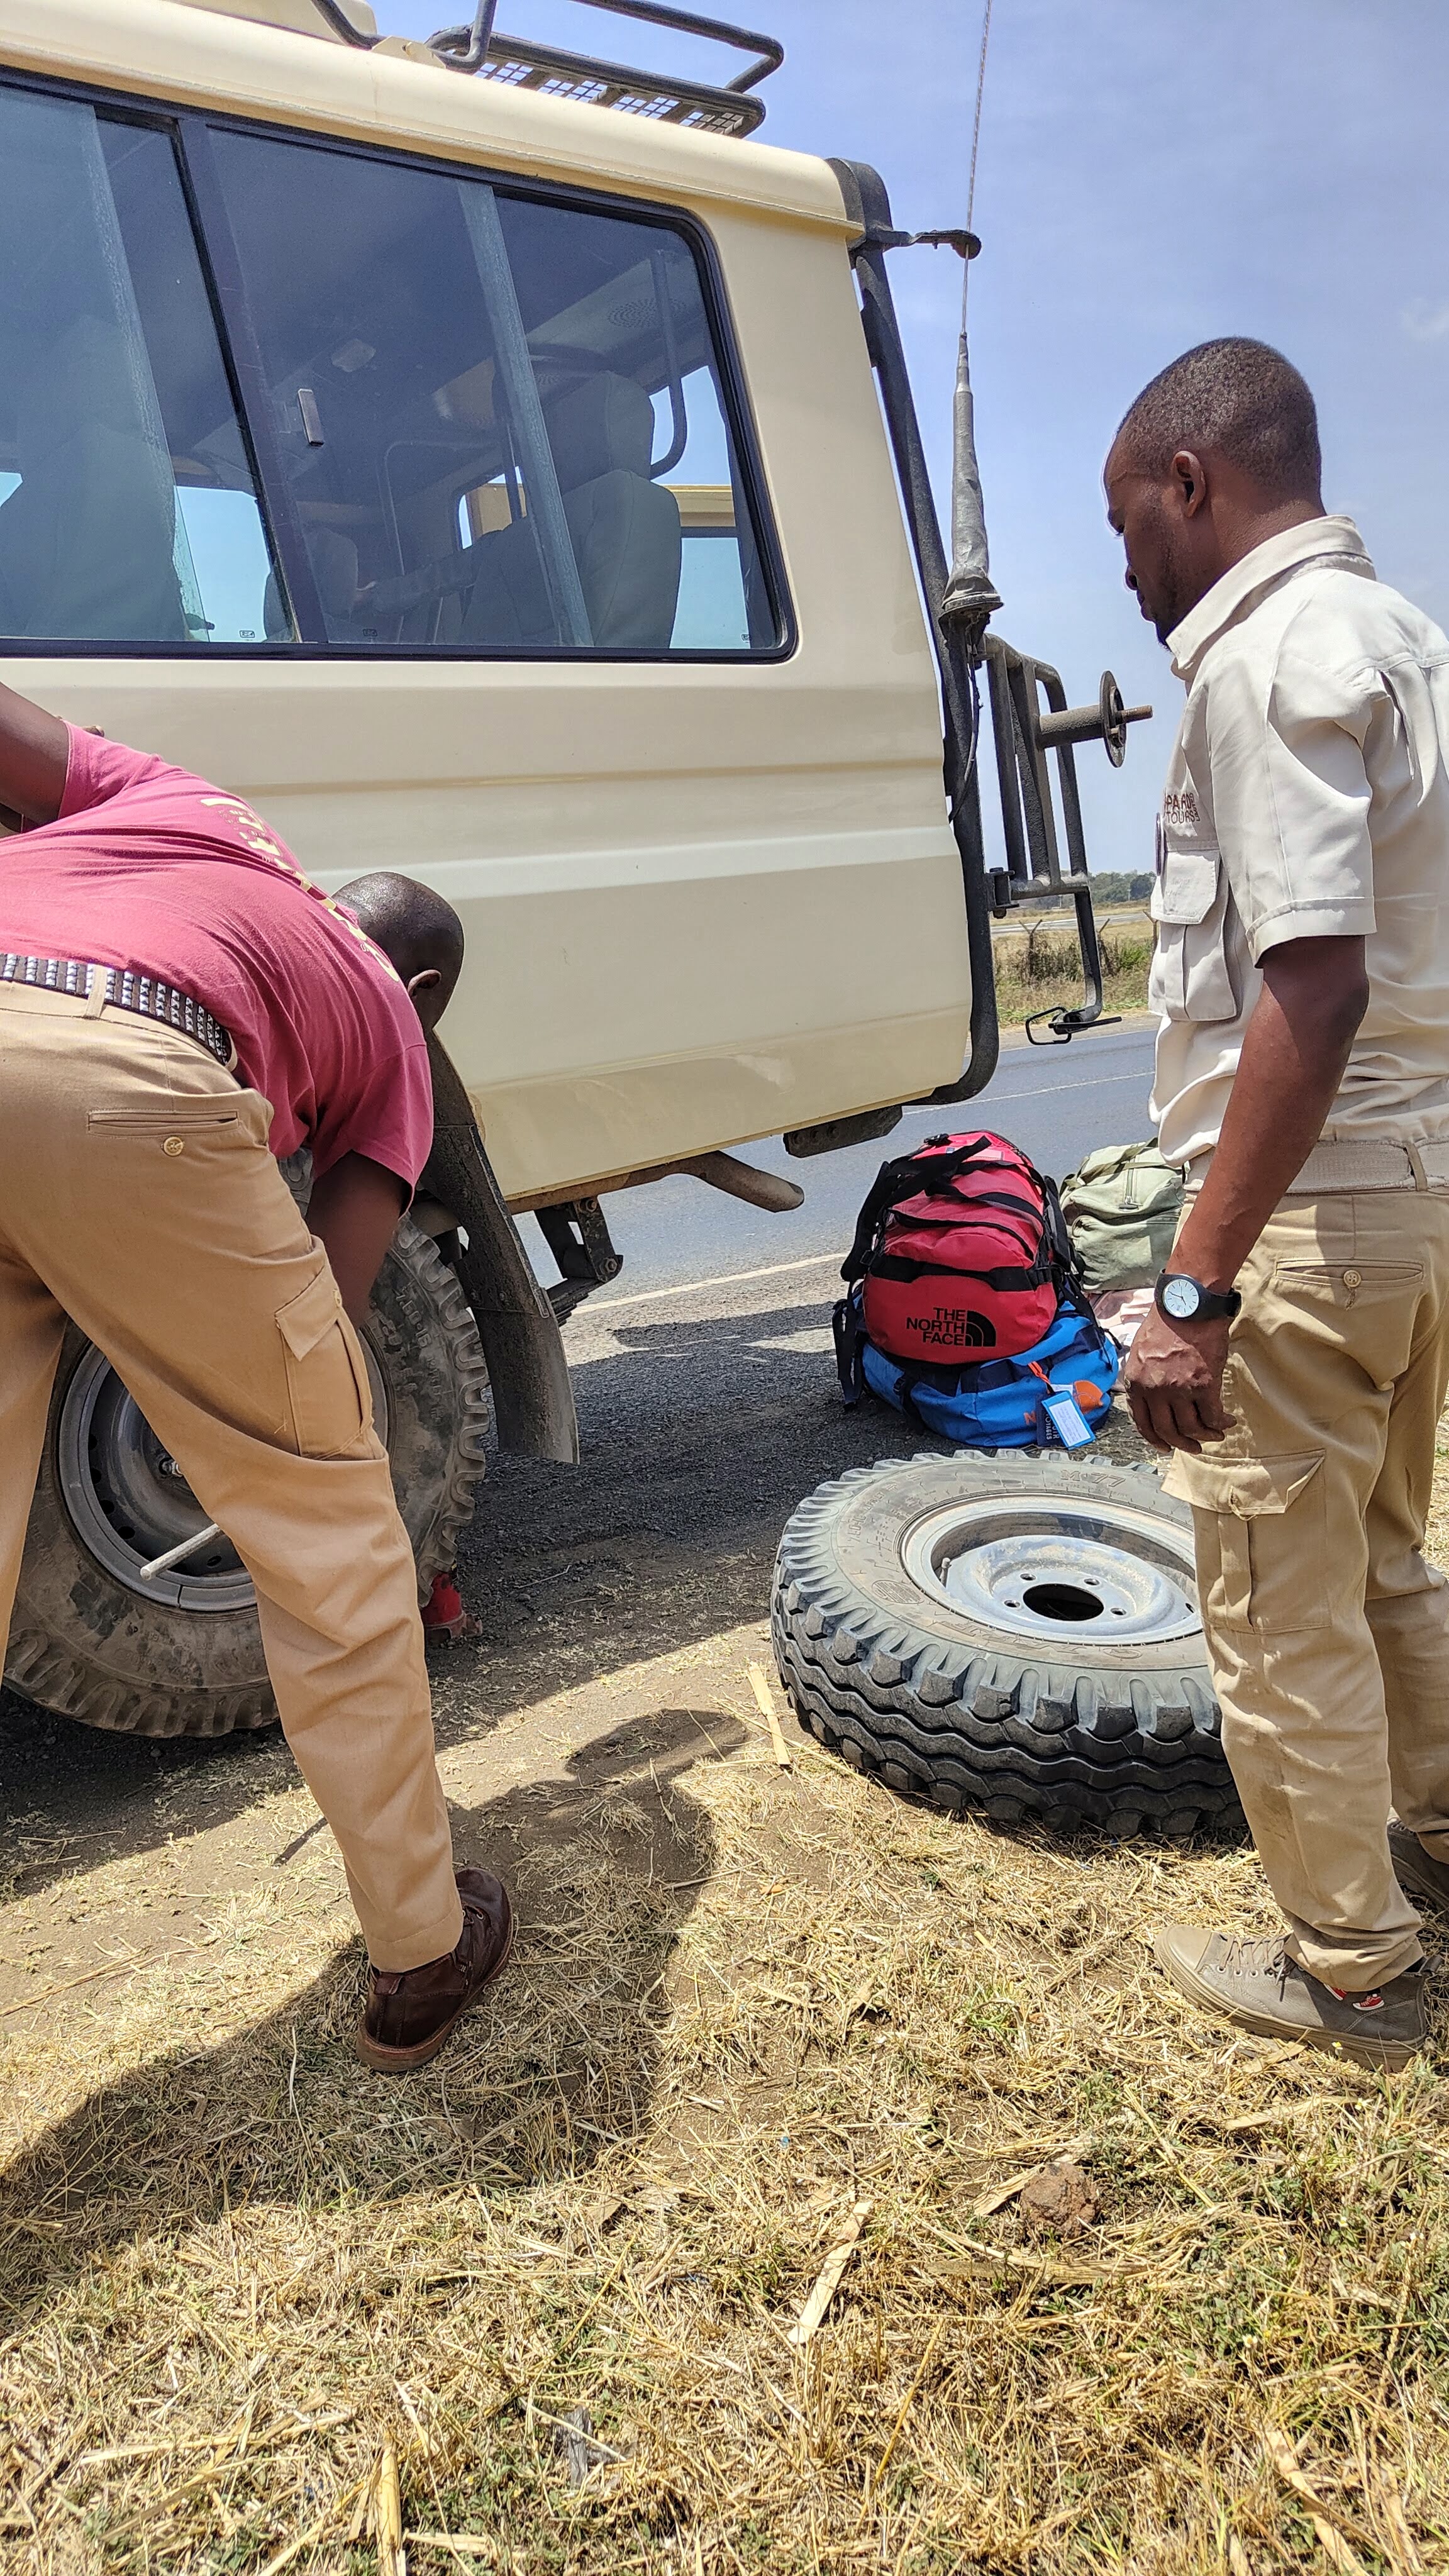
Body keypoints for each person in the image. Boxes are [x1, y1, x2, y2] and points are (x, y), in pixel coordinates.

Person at [0, 682, 512, 2072]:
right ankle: (421, 1948)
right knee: (330, 1524)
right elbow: (324, 1322)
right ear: (418, 989)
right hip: (138, 1064)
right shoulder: (392, 1029)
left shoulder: (192, 808)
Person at [1106, 336, 1449, 2070]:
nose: (1127, 567)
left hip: (1313, 1219)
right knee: (1386, 1556)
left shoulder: (1264, 663)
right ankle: (1442, 1848)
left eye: (1127, 523)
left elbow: (1307, 988)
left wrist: (1195, 1286)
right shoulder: (1409, 642)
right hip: (1421, 1195)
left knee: (1273, 1597)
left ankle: (1352, 1972)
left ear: (1194, 484)